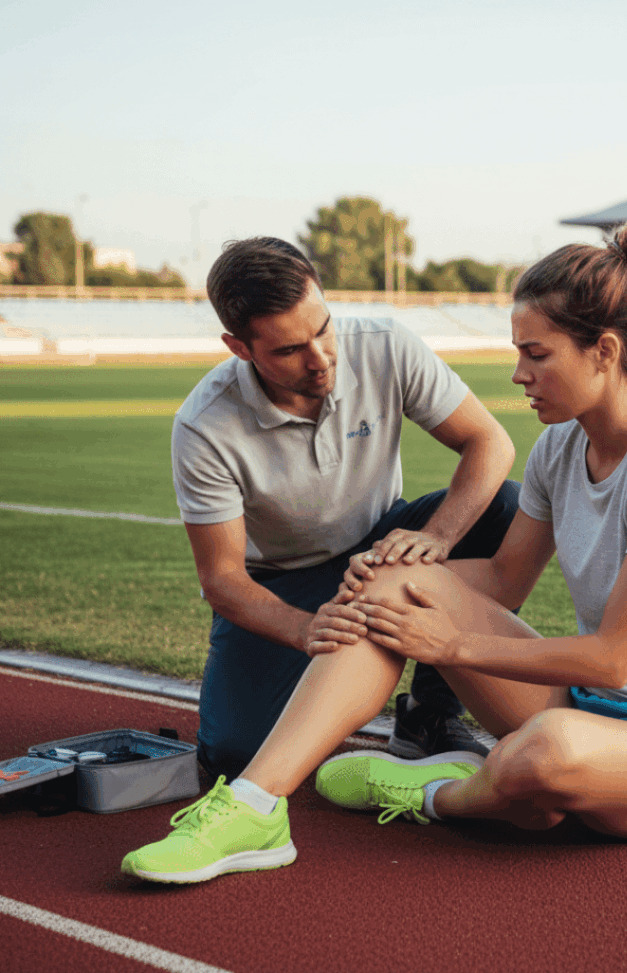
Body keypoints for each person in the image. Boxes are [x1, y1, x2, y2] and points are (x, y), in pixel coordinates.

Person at [121, 221, 627, 883]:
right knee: (398, 582)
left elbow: (612, 659)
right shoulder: (560, 447)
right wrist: (386, 586)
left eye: (536, 355)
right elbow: (505, 579)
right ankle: (255, 806)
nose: (518, 375)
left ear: (602, 351)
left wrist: (447, 645)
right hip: (587, 712)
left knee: (539, 760)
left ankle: (435, 791)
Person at [172, 236, 519, 783]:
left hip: (382, 543)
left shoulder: (383, 344)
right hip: (284, 581)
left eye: (323, 328)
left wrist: (440, 537)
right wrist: (306, 629)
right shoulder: (204, 427)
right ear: (240, 349)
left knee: (507, 508)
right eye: (289, 350)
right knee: (235, 760)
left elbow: (489, 443)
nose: (320, 358)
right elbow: (221, 579)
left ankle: (429, 713)